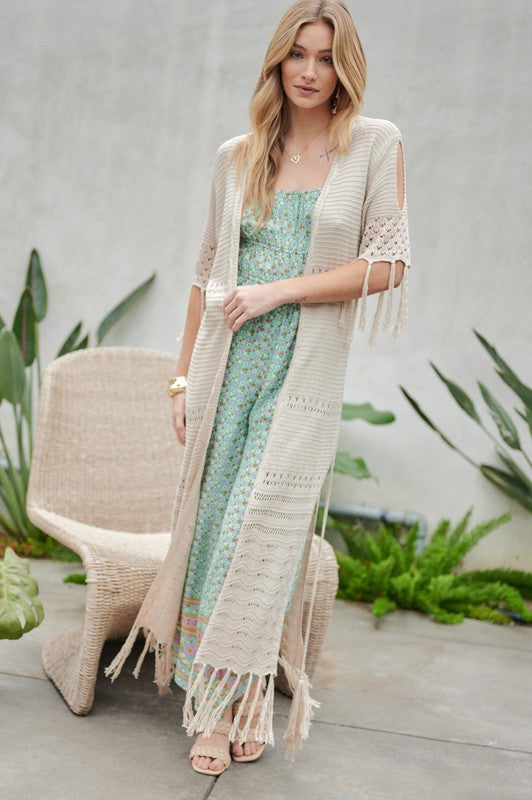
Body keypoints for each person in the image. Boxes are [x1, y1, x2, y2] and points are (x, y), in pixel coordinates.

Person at [104, 0, 411, 777]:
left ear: (347, 68)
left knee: (259, 531)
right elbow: (207, 274)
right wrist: (181, 377)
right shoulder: (237, 156)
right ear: (277, 62)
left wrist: (280, 291)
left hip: (299, 377)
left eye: (325, 58)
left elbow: (387, 266)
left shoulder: (374, 146)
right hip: (226, 371)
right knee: (213, 531)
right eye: (297, 56)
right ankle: (223, 705)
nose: (310, 72)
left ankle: (227, 699)